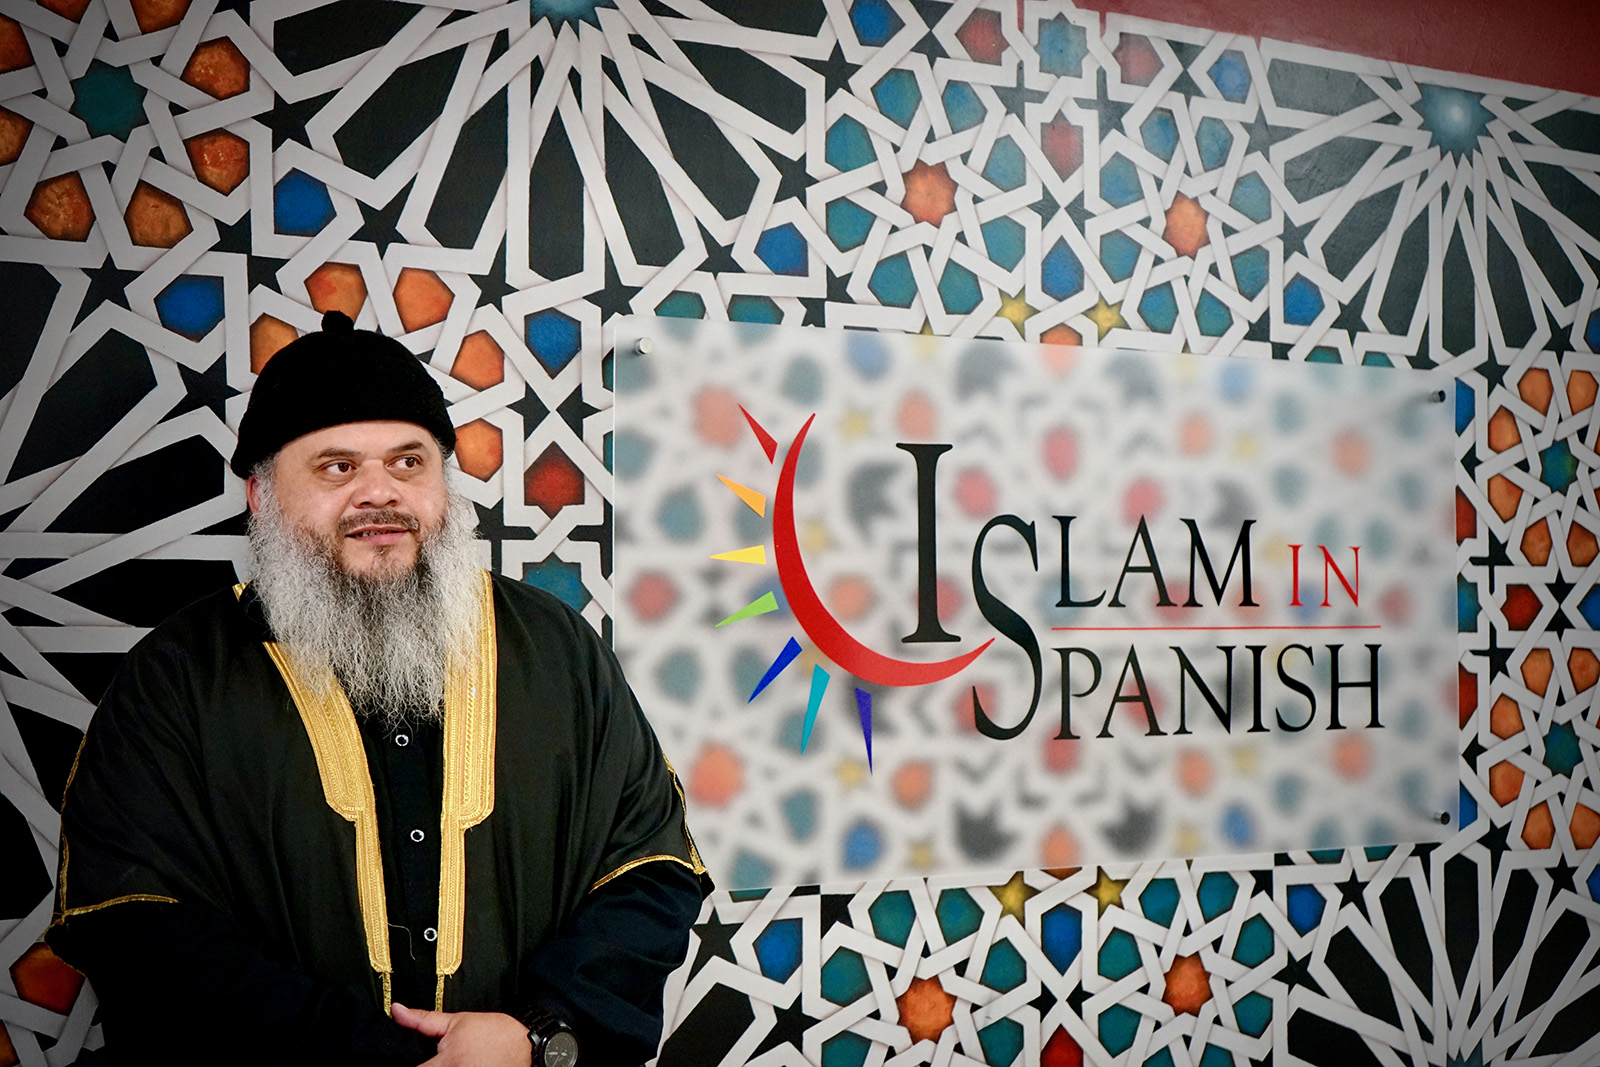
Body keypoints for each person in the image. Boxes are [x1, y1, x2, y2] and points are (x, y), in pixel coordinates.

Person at [46, 310, 709, 1066]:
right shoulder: (174, 679)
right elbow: (137, 927)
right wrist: (375, 1055)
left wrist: (538, 1031)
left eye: (408, 462)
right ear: (261, 495)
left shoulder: (556, 651)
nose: (379, 494)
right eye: (337, 466)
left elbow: (648, 869)